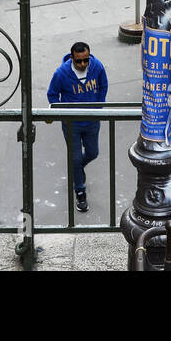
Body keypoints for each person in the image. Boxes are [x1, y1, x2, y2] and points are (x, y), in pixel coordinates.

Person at [46, 42, 108, 213]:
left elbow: (103, 85)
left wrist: (98, 107)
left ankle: (77, 169)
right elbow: (52, 94)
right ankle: (79, 189)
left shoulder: (97, 67)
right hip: (71, 124)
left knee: (92, 153)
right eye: (78, 61)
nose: (82, 65)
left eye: (85, 60)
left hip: (92, 121)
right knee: (74, 158)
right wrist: (62, 114)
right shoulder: (61, 73)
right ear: (72, 58)